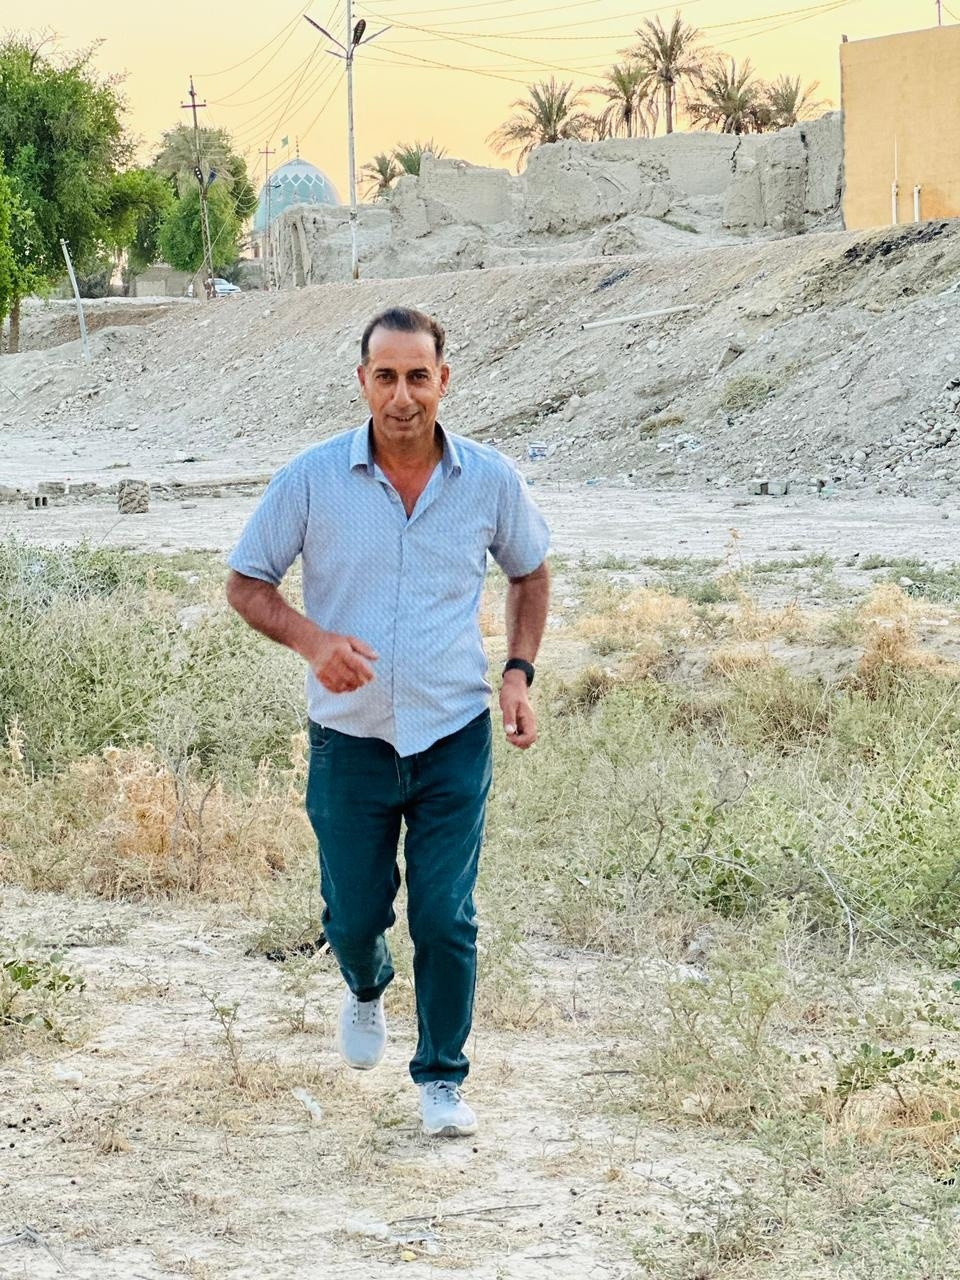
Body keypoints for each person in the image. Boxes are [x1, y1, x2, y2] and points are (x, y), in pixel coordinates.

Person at [226, 306, 550, 1138]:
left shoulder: (490, 480)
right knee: (353, 912)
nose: (403, 396)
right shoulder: (311, 479)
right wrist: (314, 642)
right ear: (362, 383)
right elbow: (247, 583)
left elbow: (530, 573)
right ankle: (365, 985)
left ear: (444, 380)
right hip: (350, 738)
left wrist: (518, 673)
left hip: (452, 733)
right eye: (386, 377)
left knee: (445, 914)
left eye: (418, 376)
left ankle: (441, 1078)